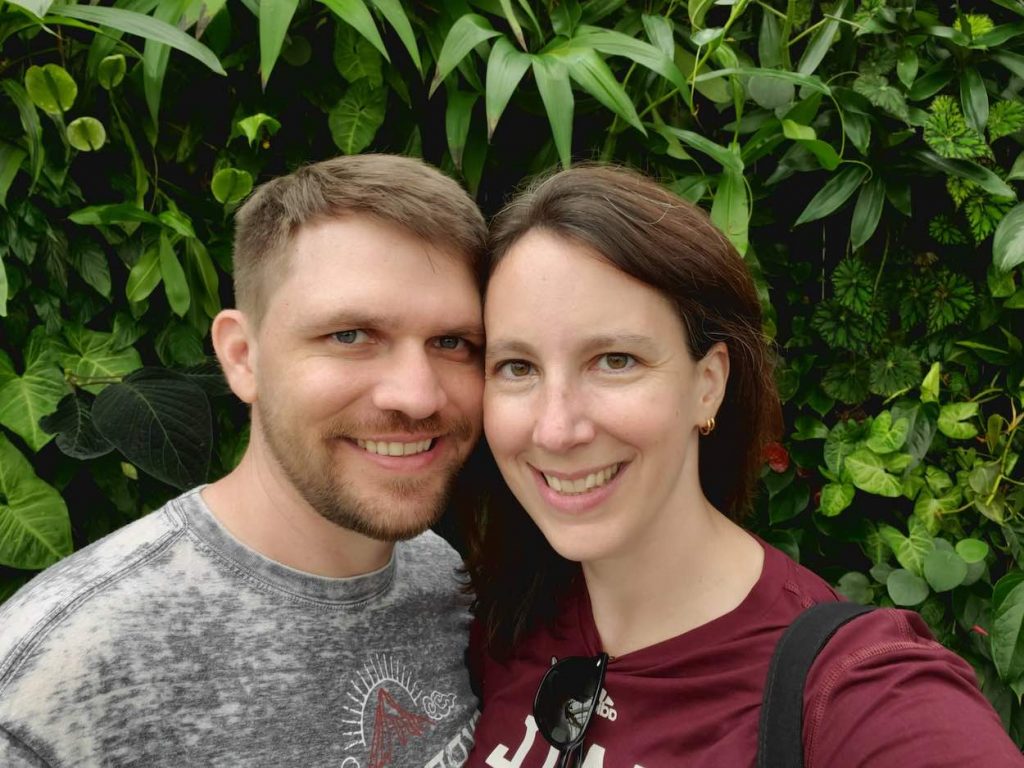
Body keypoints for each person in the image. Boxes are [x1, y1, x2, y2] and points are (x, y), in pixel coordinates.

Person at [464, 164, 1024, 767]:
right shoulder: (496, 613)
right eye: (517, 367)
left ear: (708, 385)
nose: (556, 428)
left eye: (615, 360)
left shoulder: (852, 686)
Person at [0, 154, 486, 767]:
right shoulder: (50, 683)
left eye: (452, 343)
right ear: (242, 357)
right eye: (350, 335)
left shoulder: (444, 580)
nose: (417, 396)